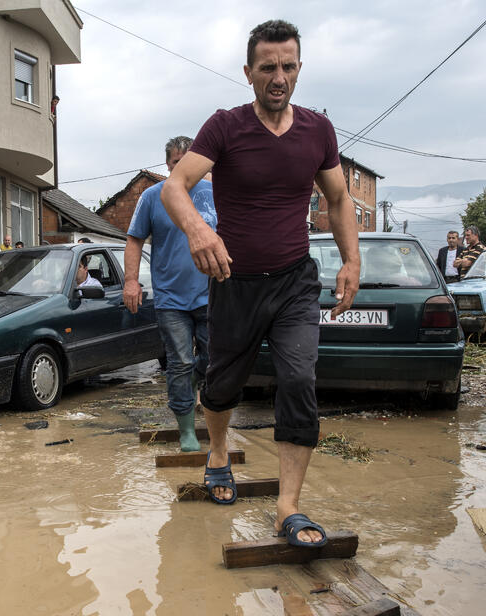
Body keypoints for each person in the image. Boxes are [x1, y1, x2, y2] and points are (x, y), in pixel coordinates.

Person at [160, 20, 360, 547]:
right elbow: (175, 187)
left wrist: (351, 261)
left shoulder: (318, 130)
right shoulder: (225, 127)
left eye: (288, 66)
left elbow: (339, 199)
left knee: (298, 380)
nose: (278, 77)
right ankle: (220, 452)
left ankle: (288, 506)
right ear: (248, 72)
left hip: (295, 282)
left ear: (299, 69)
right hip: (235, 283)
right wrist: (199, 229)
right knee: (222, 385)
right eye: (268, 67)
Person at [125, 135, 217, 452]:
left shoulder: (214, 194)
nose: (182, 168)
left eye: (188, 162)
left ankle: (209, 409)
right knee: (180, 362)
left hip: (213, 294)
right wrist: (131, 281)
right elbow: (135, 240)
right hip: (171, 300)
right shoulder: (153, 197)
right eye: (177, 163)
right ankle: (187, 429)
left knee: (214, 361)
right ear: (168, 165)